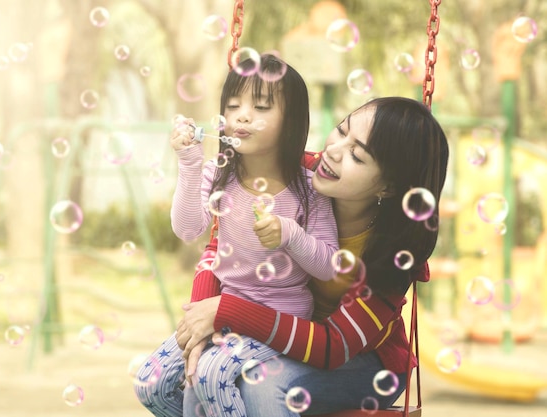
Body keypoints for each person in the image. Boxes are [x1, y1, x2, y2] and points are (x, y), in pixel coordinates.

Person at [175, 96, 450, 416]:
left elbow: (333, 347)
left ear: (388, 188)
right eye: (340, 130)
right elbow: (220, 246)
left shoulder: (392, 254)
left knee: (262, 387)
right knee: (184, 379)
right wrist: (202, 319)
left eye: (357, 155)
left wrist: (227, 311)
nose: (333, 150)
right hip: (277, 334)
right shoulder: (294, 174)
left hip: (364, 362)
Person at [134, 53, 340, 417]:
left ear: (291, 121)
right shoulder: (219, 173)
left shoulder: (309, 190)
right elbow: (188, 229)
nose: (242, 115)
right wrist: (190, 164)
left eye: (261, 107)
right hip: (224, 310)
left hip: (278, 316)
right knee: (151, 382)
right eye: (233, 106)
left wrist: (289, 234)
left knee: (210, 376)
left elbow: (327, 266)